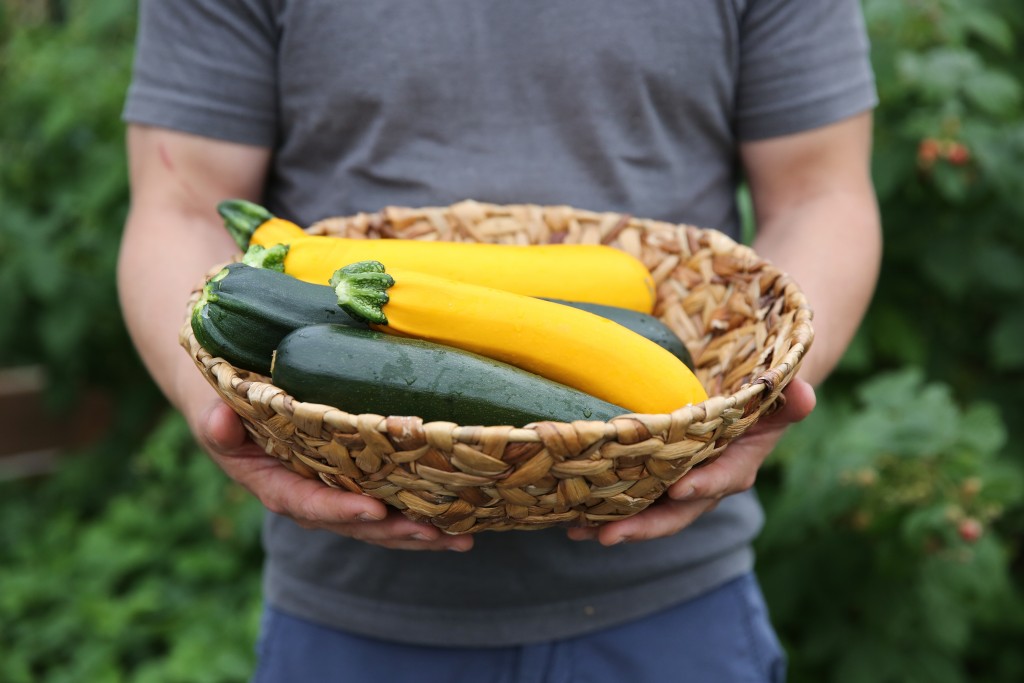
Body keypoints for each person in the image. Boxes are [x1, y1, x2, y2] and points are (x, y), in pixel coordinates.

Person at [117, 1, 881, 681]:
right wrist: (213, 396)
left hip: (675, 605)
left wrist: (757, 394)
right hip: (352, 608)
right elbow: (182, 205)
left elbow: (823, 192)